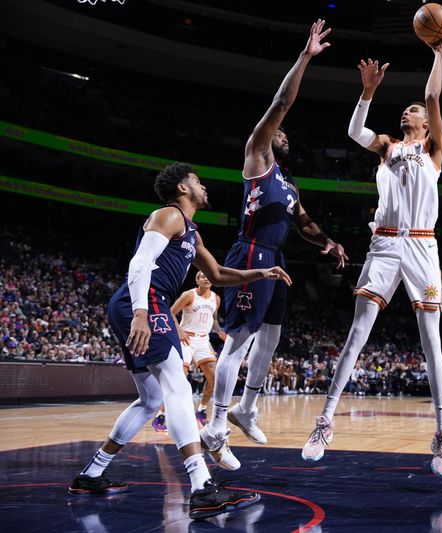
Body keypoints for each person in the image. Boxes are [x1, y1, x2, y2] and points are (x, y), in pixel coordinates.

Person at [68, 162, 291, 519]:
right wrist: (141, 312)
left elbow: (217, 274)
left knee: (151, 397)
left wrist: (260, 272)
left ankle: (91, 474)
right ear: (183, 189)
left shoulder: (192, 232)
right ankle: (203, 487)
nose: (204, 186)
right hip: (146, 301)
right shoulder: (169, 215)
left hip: (136, 304)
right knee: (178, 388)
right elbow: (140, 262)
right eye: (198, 181)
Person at [301, 21, 442, 479]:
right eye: (406, 108)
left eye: (414, 110)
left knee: (432, 342)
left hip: (423, 246)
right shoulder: (387, 146)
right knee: (358, 332)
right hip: (385, 243)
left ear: (425, 122)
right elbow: (354, 131)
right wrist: (367, 92)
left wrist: (439, 54)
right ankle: (324, 421)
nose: (408, 111)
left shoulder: (434, 147)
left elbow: (432, 98)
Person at [200, 19, 347, 470]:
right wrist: (305, 56)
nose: (284, 134)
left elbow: (303, 222)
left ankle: (246, 407)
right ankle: (216, 426)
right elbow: (283, 102)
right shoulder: (257, 154)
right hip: (250, 252)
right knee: (238, 343)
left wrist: (330, 242)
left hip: (277, 258)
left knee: (272, 336)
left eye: (285, 135)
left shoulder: (287, 182)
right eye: (280, 130)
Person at [171, 271, 227, 426]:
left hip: (203, 340)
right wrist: (178, 329)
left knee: (213, 377)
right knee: (180, 379)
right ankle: (162, 415)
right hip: (186, 338)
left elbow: (213, 320)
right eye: (202, 276)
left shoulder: (216, 298)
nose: (206, 278)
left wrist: (220, 332)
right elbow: (170, 313)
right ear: (197, 280)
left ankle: (201, 409)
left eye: (208, 276)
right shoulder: (189, 295)